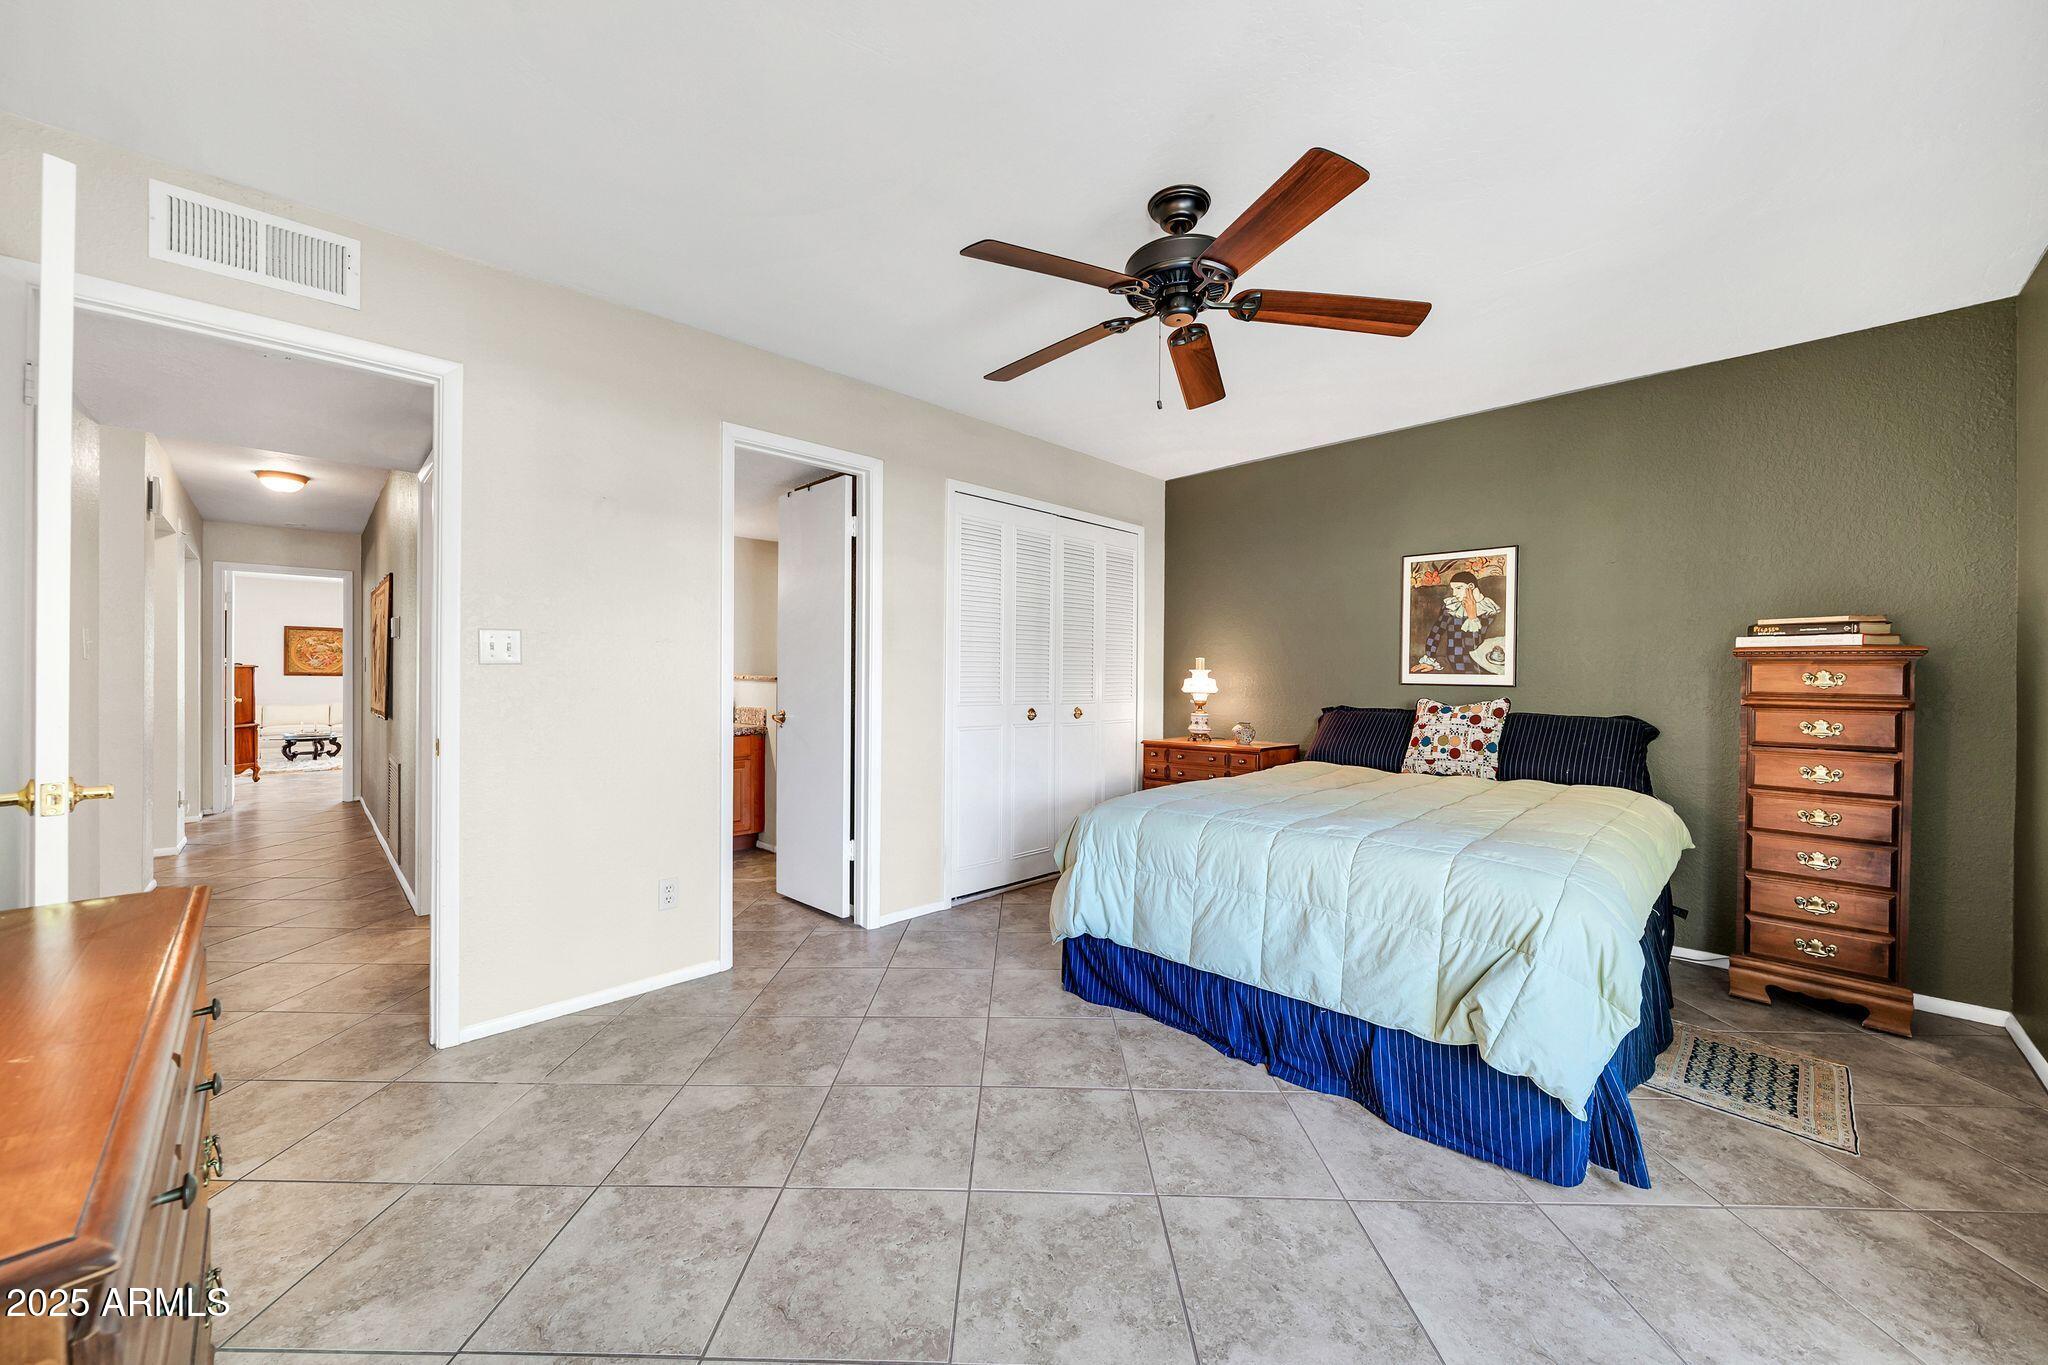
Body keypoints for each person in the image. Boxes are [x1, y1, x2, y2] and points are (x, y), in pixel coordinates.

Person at [1413, 570, 1501, 675]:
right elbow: (1436, 632)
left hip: (1484, 662)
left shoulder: (1488, 609)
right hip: (1458, 661)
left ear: (1471, 586)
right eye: (1453, 589)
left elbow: (1472, 645)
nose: (1454, 594)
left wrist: (1472, 616)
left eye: (1458, 588)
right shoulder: (1451, 606)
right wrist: (1429, 659)